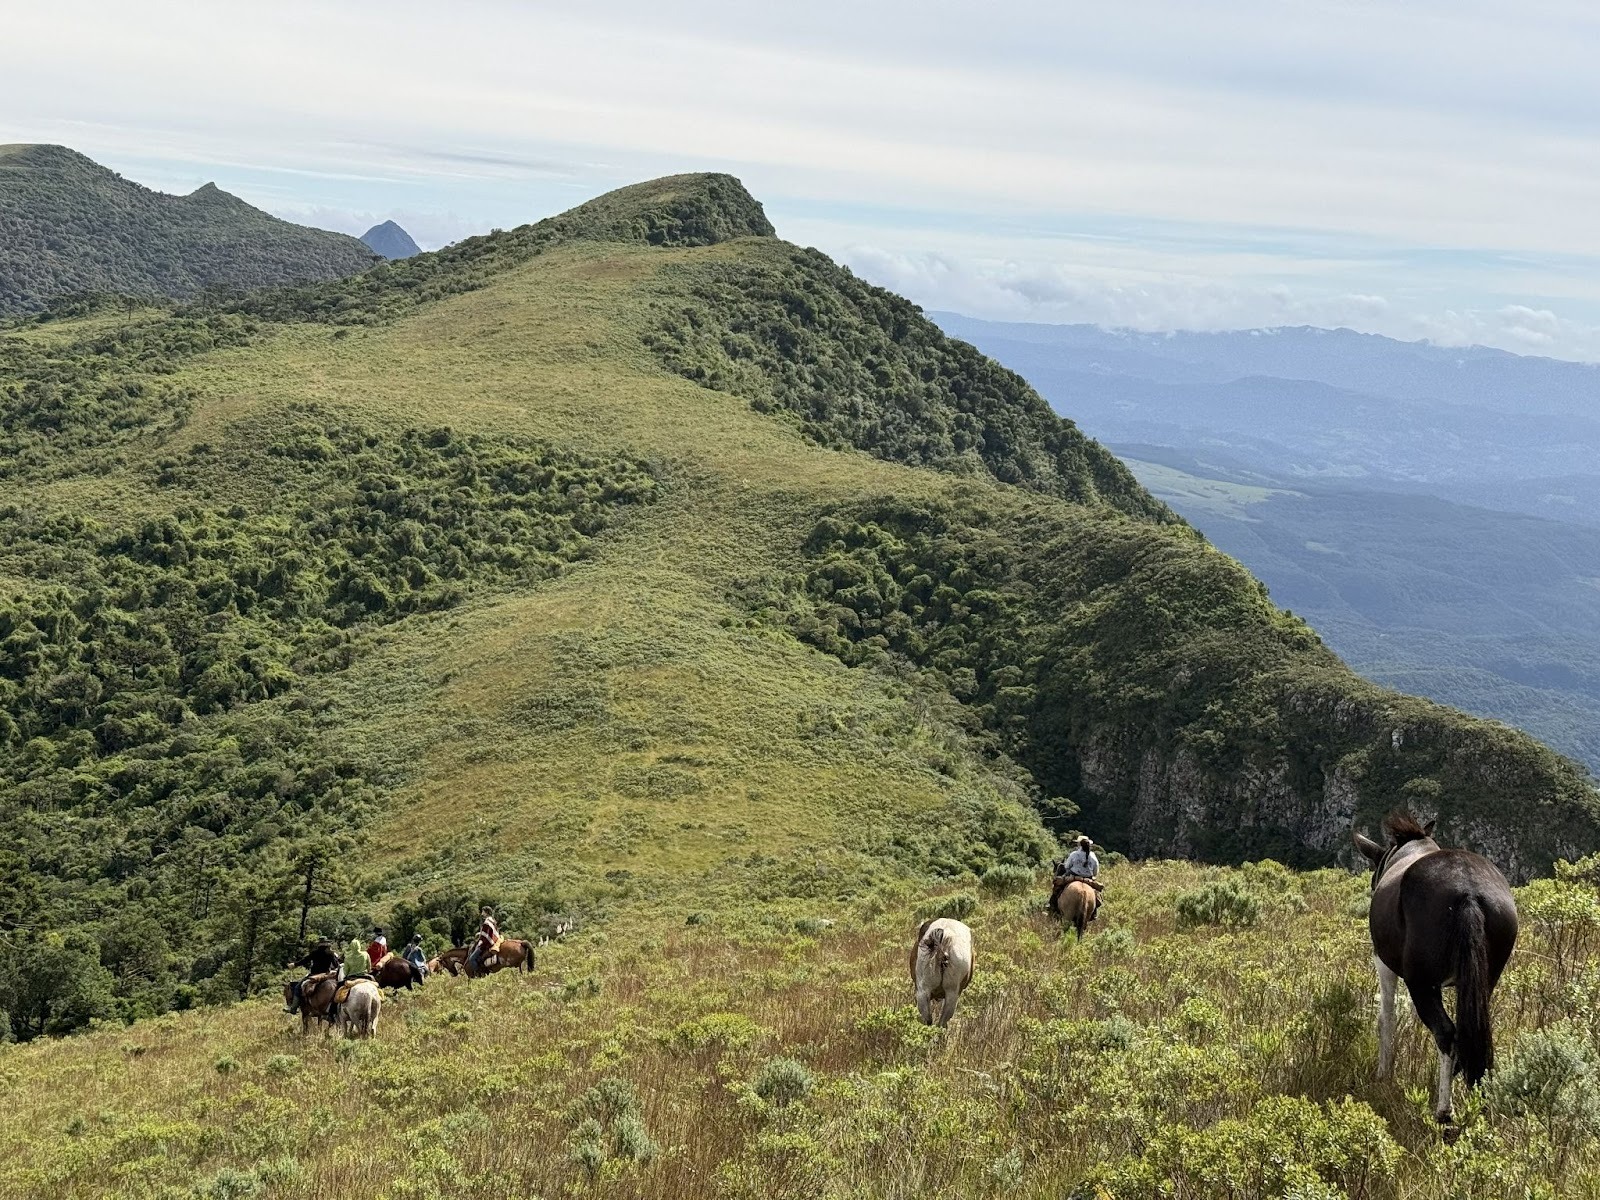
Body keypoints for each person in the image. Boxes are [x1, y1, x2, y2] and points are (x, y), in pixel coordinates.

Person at [287, 939, 343, 1009]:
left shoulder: (315, 953)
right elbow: (336, 965)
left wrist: (295, 964)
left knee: (297, 987)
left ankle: (294, 1007)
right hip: (326, 975)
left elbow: (305, 960)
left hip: (314, 974)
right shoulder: (330, 954)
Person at [467, 907, 500, 977]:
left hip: (487, 944)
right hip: (494, 941)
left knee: (471, 959)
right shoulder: (492, 920)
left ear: (486, 912)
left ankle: (479, 974)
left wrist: (481, 943)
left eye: (483, 912)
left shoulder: (486, 922)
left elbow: (486, 936)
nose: (482, 913)